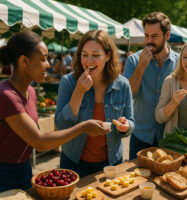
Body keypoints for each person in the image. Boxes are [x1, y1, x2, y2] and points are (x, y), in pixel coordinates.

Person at [0, 31, 107, 192]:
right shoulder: (6, 95)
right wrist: (83, 127)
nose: (49, 64)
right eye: (43, 59)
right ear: (24, 61)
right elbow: (40, 142)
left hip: (24, 169)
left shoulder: (31, 91)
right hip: (4, 174)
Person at [55, 30, 134, 178]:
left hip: (111, 162)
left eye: (96, 55)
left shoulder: (123, 84)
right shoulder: (68, 82)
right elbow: (60, 126)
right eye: (85, 55)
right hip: (74, 162)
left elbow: (131, 121)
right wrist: (79, 91)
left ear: (108, 56)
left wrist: (126, 126)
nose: (89, 61)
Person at [123, 12, 179, 160]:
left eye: (154, 36)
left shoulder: (180, 62)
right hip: (141, 136)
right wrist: (141, 67)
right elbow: (127, 96)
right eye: (146, 35)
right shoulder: (134, 60)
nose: (149, 41)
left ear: (167, 36)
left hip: (170, 137)